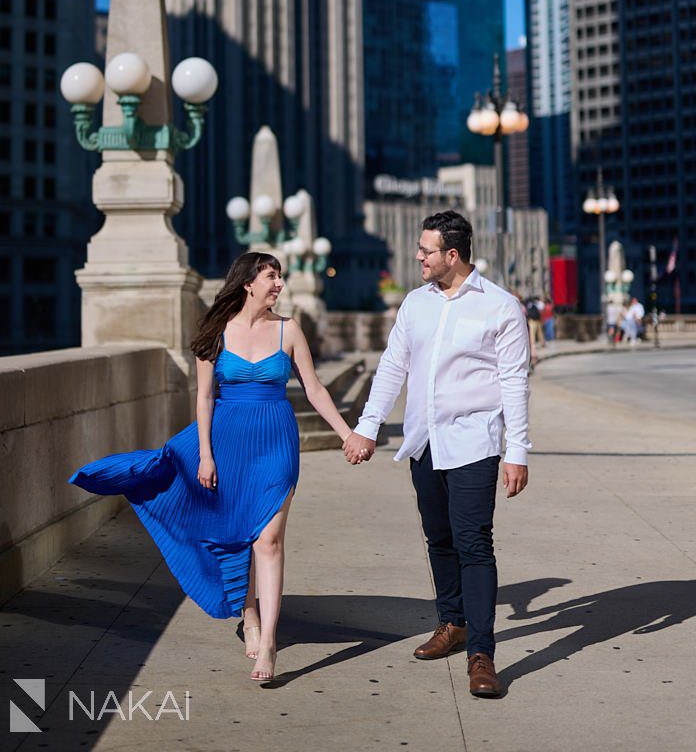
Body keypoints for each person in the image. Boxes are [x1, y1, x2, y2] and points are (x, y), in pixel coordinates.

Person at [69, 252, 359, 683]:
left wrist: (346, 433)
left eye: (279, 277)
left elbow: (314, 389)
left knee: (270, 539)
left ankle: (270, 644)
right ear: (248, 283)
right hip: (226, 442)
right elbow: (204, 398)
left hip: (276, 441)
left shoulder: (289, 329)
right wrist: (204, 454)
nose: (278, 283)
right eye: (271, 276)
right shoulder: (216, 332)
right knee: (238, 529)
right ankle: (250, 614)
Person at [343, 210, 531, 698]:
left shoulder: (500, 307)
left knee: (474, 544)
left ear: (453, 255)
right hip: (424, 442)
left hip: (474, 443)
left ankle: (482, 653)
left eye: (426, 250)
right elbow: (391, 369)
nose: (418, 257)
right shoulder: (415, 304)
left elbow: (514, 382)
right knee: (439, 539)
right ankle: (453, 624)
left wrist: (518, 451)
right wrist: (365, 428)